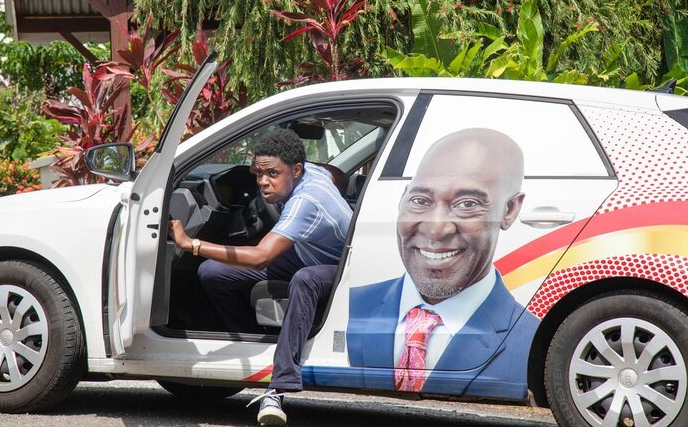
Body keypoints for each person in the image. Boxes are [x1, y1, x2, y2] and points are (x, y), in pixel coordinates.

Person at [169, 128, 352, 426]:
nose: (264, 182)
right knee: (213, 272)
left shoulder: (305, 202)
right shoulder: (313, 172)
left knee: (304, 279)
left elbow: (260, 256)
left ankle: (278, 387)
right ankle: (253, 345)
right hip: (305, 251)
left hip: (340, 267)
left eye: (273, 174)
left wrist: (192, 244)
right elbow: (335, 173)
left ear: (296, 170)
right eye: (259, 174)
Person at [346, 128, 540, 398]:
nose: (436, 229)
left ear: (510, 211)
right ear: (403, 199)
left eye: (467, 203)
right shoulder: (349, 307)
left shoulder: (535, 345)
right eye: (420, 200)